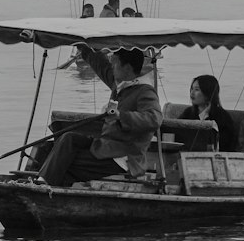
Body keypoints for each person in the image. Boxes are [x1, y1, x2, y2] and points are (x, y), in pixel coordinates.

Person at [38, 45, 162, 187]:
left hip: (122, 157)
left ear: (127, 68)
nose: (111, 65)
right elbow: (100, 64)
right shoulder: (120, 85)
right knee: (68, 138)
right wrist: (82, 44)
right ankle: (45, 183)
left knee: (64, 162)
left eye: (114, 62)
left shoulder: (145, 92)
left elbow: (154, 119)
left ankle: (45, 188)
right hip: (105, 147)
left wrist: (121, 116)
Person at [180, 74, 238, 151]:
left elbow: (227, 145)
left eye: (197, 89)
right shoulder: (188, 113)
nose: (192, 93)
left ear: (208, 92)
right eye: (191, 89)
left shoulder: (223, 117)